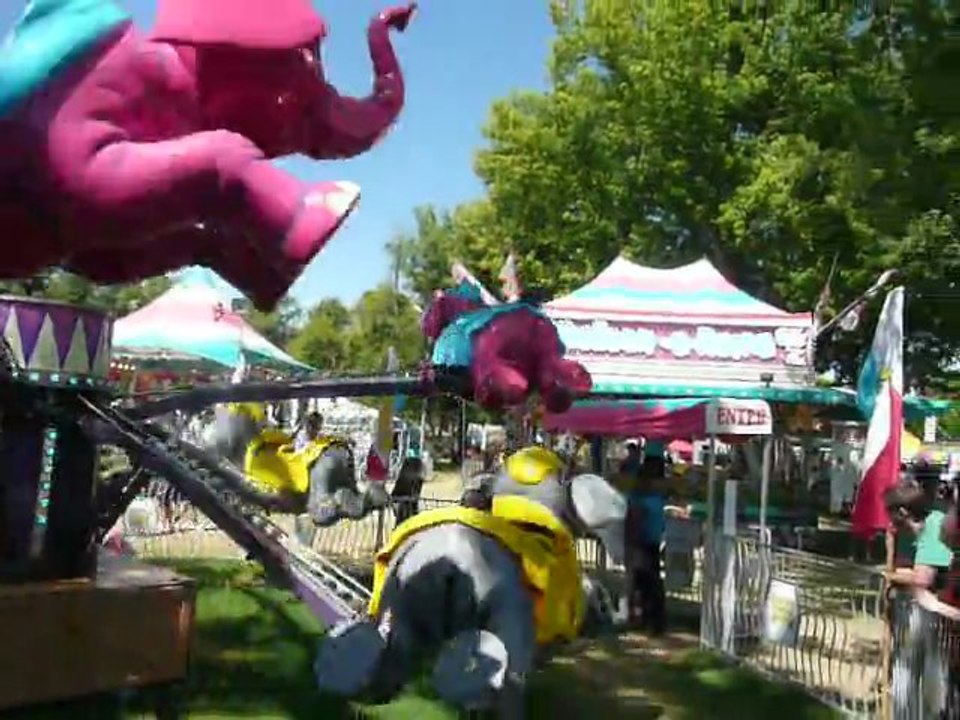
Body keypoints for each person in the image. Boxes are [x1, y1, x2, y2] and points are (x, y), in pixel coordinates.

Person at [624, 453, 667, 635]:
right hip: (644, 543)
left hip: (646, 542)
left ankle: (647, 620)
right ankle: (648, 620)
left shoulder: (647, 495)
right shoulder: (644, 496)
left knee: (645, 583)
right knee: (647, 583)